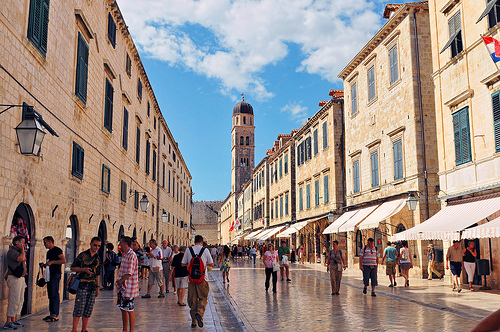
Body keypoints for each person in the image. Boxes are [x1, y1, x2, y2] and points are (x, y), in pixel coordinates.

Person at [181, 235, 214, 328]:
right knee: (203, 298)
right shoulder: (205, 250)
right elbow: (212, 263)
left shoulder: (188, 250)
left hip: (191, 279)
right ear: (202, 242)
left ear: (194, 241)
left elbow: (183, 263)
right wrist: (204, 263)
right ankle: (199, 313)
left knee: (193, 299)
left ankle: (194, 321)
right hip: (203, 279)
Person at [70, 237, 102, 332]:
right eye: (95, 245)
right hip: (82, 284)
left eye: (99, 246)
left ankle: (84, 329)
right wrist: (83, 270)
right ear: (91, 244)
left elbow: (98, 274)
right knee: (79, 307)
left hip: (92, 286)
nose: (97, 247)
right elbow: (72, 268)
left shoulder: (98, 258)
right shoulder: (83, 255)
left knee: (88, 308)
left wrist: (97, 287)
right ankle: (74, 329)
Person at [116, 236, 139, 332]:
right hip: (122, 288)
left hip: (128, 287)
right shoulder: (125, 254)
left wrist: (120, 281)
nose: (120, 245)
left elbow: (129, 272)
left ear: (125, 244)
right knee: (123, 308)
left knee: (130, 310)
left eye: (121, 243)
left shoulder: (132, 255)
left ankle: (131, 330)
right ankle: (124, 329)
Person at [3, 235, 26, 330]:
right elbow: (21, 259)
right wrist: (22, 249)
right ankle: (8, 321)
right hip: (14, 278)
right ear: (17, 243)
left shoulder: (17, 251)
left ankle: (13, 319)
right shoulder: (12, 251)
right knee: (14, 299)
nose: (24, 244)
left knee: (20, 300)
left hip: (20, 278)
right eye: (22, 243)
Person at [41, 236, 66, 322]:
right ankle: (52, 313)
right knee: (50, 294)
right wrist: (44, 265)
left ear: (50, 242)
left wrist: (52, 262)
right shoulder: (49, 253)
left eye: (45, 242)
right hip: (49, 275)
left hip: (55, 274)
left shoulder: (57, 250)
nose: (44, 244)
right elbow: (49, 264)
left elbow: (63, 260)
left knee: (54, 294)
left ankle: (55, 315)